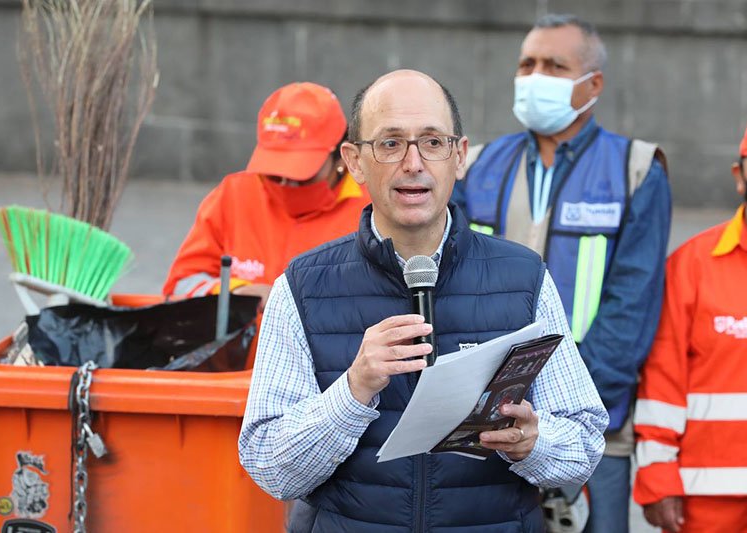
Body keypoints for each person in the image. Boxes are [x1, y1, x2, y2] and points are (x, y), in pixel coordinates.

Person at [238, 69, 608, 532]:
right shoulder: (303, 287)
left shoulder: (525, 278)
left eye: (432, 142)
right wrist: (353, 390)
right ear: (354, 162)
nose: (413, 163)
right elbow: (272, 470)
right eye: (390, 144)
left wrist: (533, 442)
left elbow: (585, 447)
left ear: (459, 156)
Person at [451, 13, 671, 532]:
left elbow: (630, 307)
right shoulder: (477, 165)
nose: (534, 76)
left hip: (595, 423)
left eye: (554, 65)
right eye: (527, 63)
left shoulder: (636, 169)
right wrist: (496, 405)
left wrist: (561, 408)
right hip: (484, 423)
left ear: (592, 84)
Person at [634, 107, 747, 533]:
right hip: (708, 499)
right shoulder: (692, 266)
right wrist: (657, 476)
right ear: (739, 174)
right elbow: (662, 381)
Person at [162, 81, 370, 306]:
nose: (285, 184)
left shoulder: (373, 210)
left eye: (301, 174)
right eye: (274, 173)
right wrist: (237, 292)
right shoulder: (234, 195)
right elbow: (180, 285)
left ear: (341, 157)